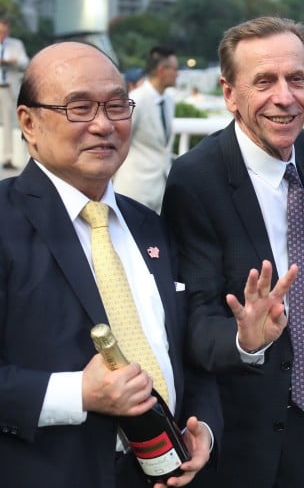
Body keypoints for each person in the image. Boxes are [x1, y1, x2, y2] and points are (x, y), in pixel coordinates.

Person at [0, 41, 221, 488]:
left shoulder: (150, 226)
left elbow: (186, 355)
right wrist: (77, 394)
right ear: (29, 122)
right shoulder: (4, 223)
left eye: (117, 106)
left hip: (166, 471)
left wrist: (204, 430)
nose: (103, 125)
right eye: (79, 107)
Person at [161, 17, 304, 488]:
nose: (285, 97)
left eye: (296, 79)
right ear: (229, 93)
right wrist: (247, 340)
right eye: (264, 81)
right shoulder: (194, 179)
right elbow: (193, 320)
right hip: (241, 439)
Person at [114, 46, 178, 213]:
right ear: (161, 70)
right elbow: (118, 141)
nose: (177, 74)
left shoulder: (169, 99)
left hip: (160, 189)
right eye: (174, 69)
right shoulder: (137, 99)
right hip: (134, 189)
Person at [0, 17, 29, 169]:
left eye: (4, 32)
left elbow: (25, 61)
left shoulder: (16, 44)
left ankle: (8, 158)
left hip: (7, 87)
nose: (2, 34)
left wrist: (13, 61)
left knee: (9, 123)